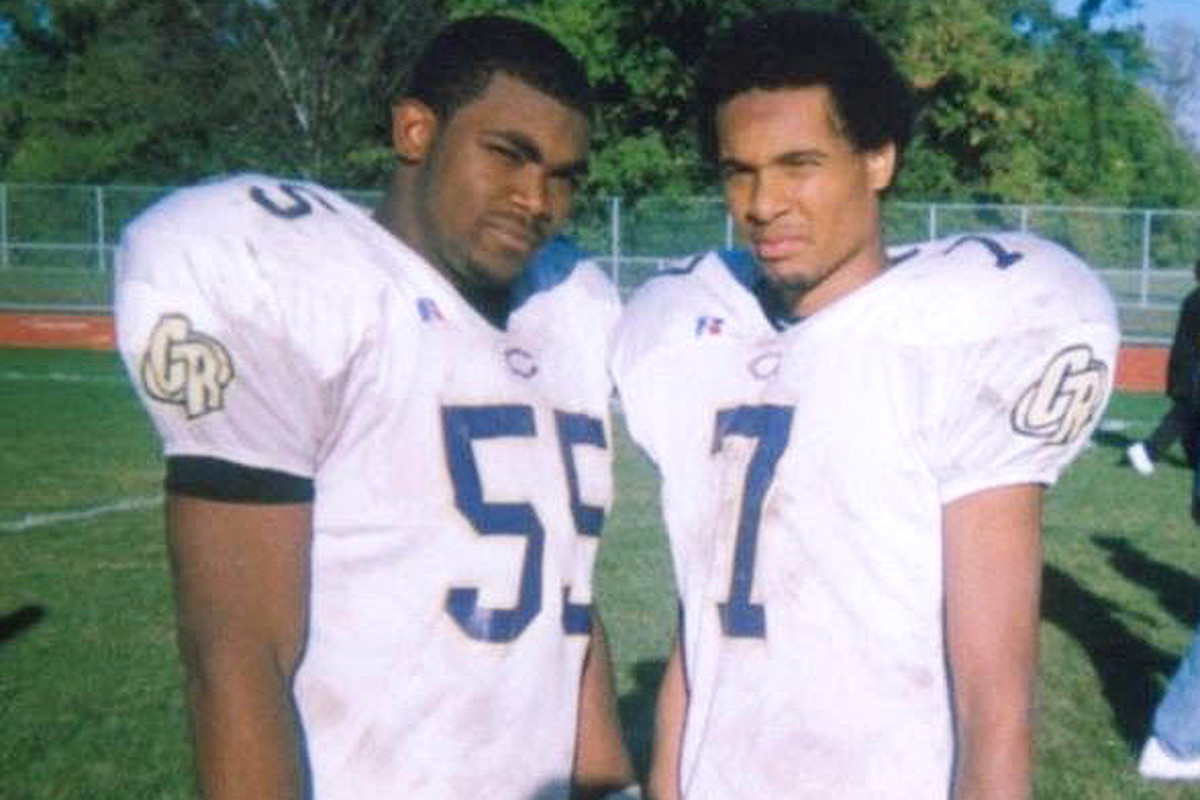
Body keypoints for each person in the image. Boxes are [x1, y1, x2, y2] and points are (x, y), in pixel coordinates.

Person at [115, 15, 635, 800]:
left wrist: (608, 787)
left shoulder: (572, 310)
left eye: (564, 175)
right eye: (509, 155)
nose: (538, 199)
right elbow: (235, 652)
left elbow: (567, 602)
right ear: (415, 129)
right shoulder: (299, 280)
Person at [610, 10, 1120, 799]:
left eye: (799, 164)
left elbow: (996, 694)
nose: (763, 202)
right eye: (738, 171)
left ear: (878, 158)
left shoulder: (952, 335)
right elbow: (701, 632)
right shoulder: (698, 331)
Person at [1126, 258, 1200, 479]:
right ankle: (1147, 451)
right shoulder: (1197, 301)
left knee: (1193, 413)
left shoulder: (1193, 298)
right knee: (1184, 412)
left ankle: (1194, 457)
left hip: (1187, 366)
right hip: (1190, 368)